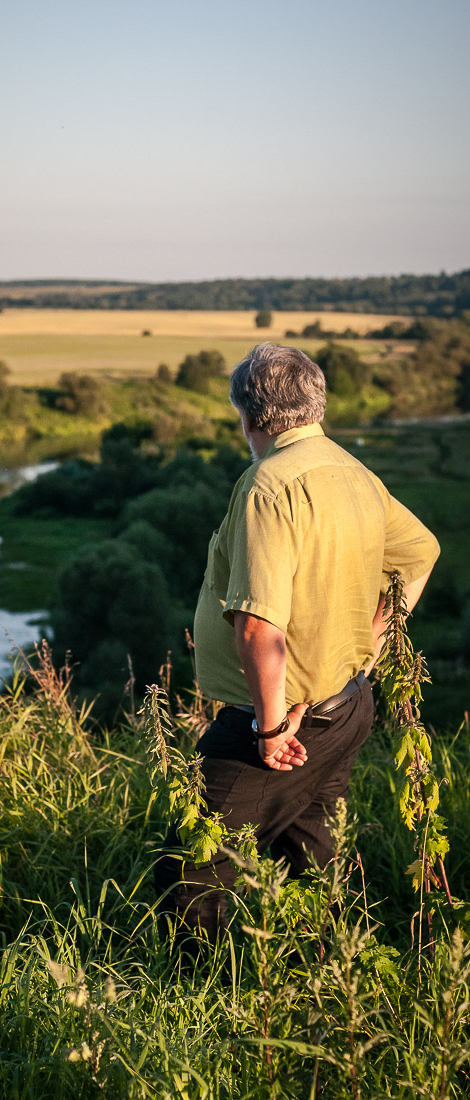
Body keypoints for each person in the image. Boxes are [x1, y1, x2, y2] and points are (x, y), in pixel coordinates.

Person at [154, 342, 440, 946]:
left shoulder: (267, 486)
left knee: (195, 875)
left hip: (282, 729)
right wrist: (372, 642)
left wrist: (269, 727)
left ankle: (197, 1007)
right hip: (347, 706)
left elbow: (258, 626)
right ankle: (333, 978)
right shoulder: (352, 470)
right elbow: (420, 554)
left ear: (248, 415)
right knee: (311, 860)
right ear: (316, 405)